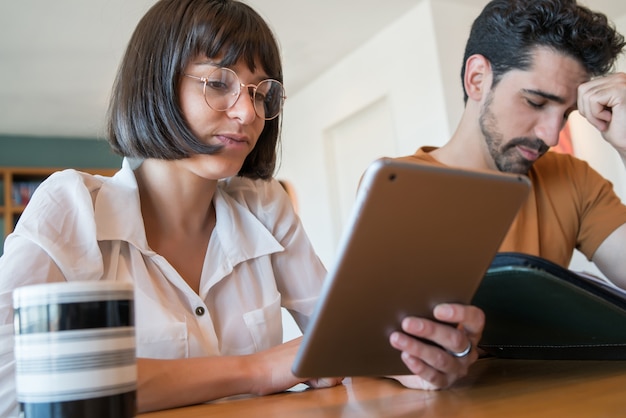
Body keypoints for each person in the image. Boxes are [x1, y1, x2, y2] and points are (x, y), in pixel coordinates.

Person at [0, 0, 484, 415]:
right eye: (218, 83)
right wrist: (255, 370)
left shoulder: (265, 205)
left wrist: (423, 361)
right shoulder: (71, 206)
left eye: (260, 92)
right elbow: (9, 386)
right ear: (157, 84)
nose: (248, 113)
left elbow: (340, 345)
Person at [397, 0, 626, 289]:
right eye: (536, 102)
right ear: (477, 79)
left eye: (566, 114)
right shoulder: (399, 187)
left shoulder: (574, 179)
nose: (552, 137)